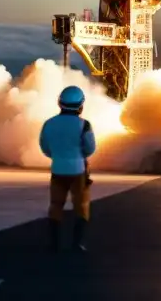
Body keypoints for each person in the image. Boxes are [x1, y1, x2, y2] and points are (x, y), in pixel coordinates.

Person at [39, 86, 97, 252]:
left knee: (56, 205)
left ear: (60, 102)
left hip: (57, 169)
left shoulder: (49, 124)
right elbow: (90, 148)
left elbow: (44, 147)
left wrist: (58, 156)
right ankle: (77, 244)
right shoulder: (84, 125)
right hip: (78, 170)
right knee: (81, 206)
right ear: (81, 105)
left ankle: (53, 243)